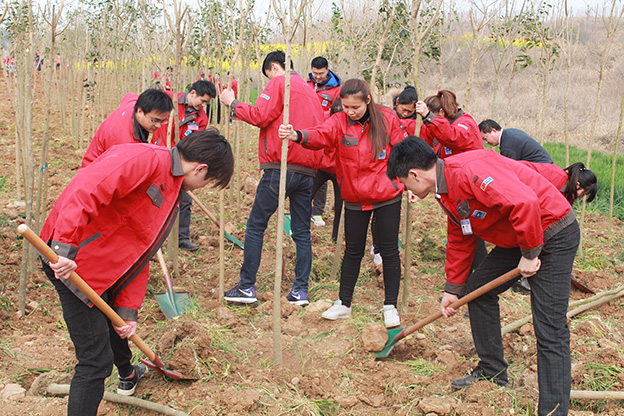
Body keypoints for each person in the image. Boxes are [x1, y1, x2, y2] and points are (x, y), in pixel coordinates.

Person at [41, 130, 234, 416]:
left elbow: (141, 251)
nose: (201, 188)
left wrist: (129, 311)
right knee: (95, 362)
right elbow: (86, 189)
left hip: (106, 268)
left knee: (115, 326)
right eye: (207, 183)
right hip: (74, 265)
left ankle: (128, 374)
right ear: (201, 169)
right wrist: (65, 248)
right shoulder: (145, 159)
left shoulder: (173, 190)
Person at [387, 137, 579, 416]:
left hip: (553, 231)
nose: (407, 189)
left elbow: (524, 203)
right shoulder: (445, 189)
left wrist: (529, 253)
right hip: (520, 237)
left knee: (549, 328)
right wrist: (452, 289)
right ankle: (493, 371)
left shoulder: (468, 171)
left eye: (405, 183)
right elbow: (461, 234)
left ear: (414, 174)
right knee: (477, 291)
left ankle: (553, 411)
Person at [279, 78, 408, 328]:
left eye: (355, 108)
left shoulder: (387, 118)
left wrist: (408, 182)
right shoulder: (339, 122)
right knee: (353, 251)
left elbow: (402, 152)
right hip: (354, 196)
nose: (350, 112)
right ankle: (344, 303)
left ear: (368, 101)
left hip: (386, 194)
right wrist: (297, 135)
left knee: (389, 250)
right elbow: (321, 135)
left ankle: (390, 306)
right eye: (346, 107)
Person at [219, 51, 324, 306]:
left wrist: (232, 103)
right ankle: (300, 291)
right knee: (302, 231)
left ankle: (246, 287)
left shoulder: (279, 82)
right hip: (308, 170)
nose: (268, 80)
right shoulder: (312, 91)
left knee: (256, 225)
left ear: (273, 67)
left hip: (281, 166)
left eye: (267, 74)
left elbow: (260, 115)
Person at [159, 80, 217, 251]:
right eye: (202, 100)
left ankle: (182, 238)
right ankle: (156, 238)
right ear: (192, 93)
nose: (203, 105)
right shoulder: (170, 101)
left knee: (184, 200)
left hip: (183, 162)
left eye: (207, 103)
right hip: (161, 155)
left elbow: (197, 144)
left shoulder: (202, 118)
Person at [81, 88, 173, 168]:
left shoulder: (133, 104)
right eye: (155, 120)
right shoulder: (125, 142)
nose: (158, 125)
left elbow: (129, 96)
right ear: (140, 112)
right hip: (94, 171)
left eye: (162, 121)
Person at [306, 56, 342, 227]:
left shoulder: (336, 90)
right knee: (313, 175)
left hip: (327, 136)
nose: (317, 77)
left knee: (326, 171)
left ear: (328, 70)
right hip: (308, 135)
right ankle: (310, 211)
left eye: (320, 73)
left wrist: (322, 118)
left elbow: (338, 114)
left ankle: (318, 212)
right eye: (315, 73)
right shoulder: (307, 85)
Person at [415, 90, 482, 158]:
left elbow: (452, 137)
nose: (434, 122)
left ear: (442, 112)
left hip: (470, 167)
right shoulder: (439, 127)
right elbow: (425, 133)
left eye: (434, 117)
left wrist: (429, 117)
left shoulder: (466, 123)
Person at [479, 119, 553, 163]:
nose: (486, 142)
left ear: (494, 131)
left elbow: (509, 169)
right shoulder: (510, 132)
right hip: (546, 164)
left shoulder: (507, 145)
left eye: (485, 138)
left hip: (543, 169)